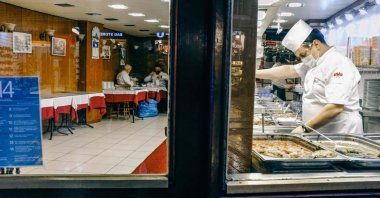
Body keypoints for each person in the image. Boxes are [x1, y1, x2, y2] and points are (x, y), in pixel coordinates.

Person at [256, 20, 363, 134]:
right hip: (319, 131)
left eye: (303, 55)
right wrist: (254, 73)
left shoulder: (338, 64)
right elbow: (288, 70)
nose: (303, 59)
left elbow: (335, 107)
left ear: (316, 44)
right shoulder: (315, 63)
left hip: (341, 132)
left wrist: (304, 128)